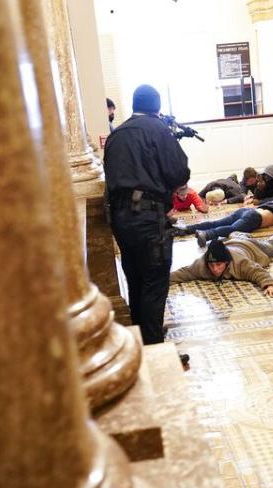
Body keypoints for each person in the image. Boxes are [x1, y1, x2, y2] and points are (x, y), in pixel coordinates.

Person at [104, 84, 191, 364]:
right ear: (156, 108)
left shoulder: (116, 135)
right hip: (148, 219)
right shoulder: (157, 130)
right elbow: (178, 170)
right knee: (154, 285)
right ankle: (157, 358)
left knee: (136, 281)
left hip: (120, 220)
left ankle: (143, 345)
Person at [170, 231, 273, 298]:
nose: (215, 269)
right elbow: (183, 273)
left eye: (219, 265)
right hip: (231, 243)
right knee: (236, 236)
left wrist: (270, 285)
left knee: (270, 246)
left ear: (227, 262)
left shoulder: (240, 263)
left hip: (250, 247)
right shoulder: (201, 264)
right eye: (212, 265)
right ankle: (237, 234)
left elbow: (257, 272)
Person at [176, 197, 273, 247]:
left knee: (216, 222)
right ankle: (207, 234)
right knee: (233, 228)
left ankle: (188, 228)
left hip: (246, 211)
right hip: (255, 217)